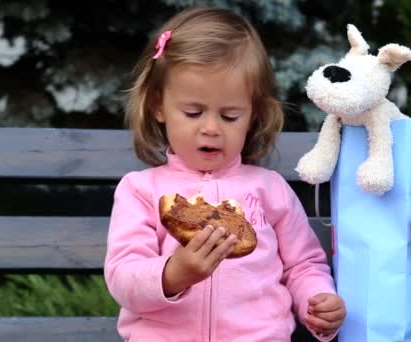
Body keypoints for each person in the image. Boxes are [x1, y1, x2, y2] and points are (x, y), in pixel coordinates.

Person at [104, 6, 346, 342]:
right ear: (158, 106)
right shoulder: (142, 190)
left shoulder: (269, 189)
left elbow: (302, 265)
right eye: (193, 112)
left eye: (230, 116)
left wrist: (317, 300)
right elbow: (122, 276)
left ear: (253, 115)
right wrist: (173, 274)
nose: (211, 129)